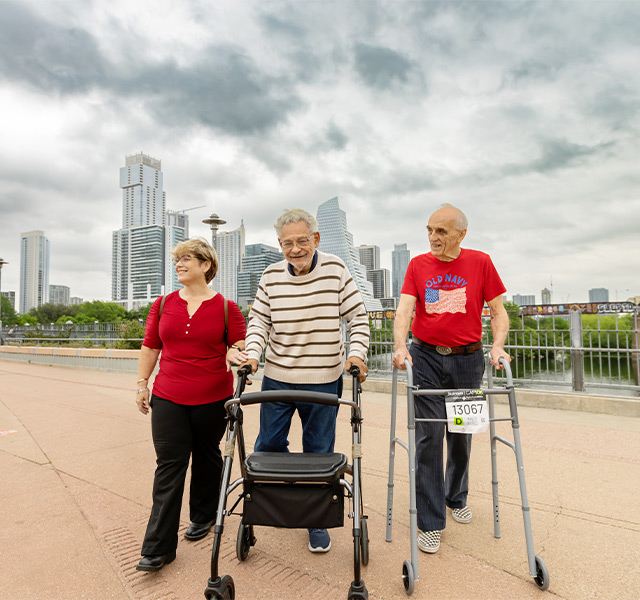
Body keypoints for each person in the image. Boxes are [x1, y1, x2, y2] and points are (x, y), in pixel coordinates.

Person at [241, 208, 369, 554]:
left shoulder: (336, 270)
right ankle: (292, 490)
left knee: (318, 451)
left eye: (301, 241)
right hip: (278, 377)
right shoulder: (269, 276)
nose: (294, 249)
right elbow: (259, 323)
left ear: (315, 239)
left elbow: (358, 319)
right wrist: (253, 355)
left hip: (324, 379)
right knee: (266, 445)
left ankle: (317, 521)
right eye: (287, 243)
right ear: (279, 244)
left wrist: (356, 355)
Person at [392, 204, 510, 554]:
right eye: (429, 230)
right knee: (429, 436)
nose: (433, 238)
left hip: (467, 360)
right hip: (425, 356)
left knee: (461, 434)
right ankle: (430, 522)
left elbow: (499, 312)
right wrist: (400, 345)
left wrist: (498, 346)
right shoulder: (417, 265)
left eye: (441, 232)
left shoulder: (481, 262)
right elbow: (404, 311)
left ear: (461, 234)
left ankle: (456, 497)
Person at [135, 238, 248, 572]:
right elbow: (150, 346)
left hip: (213, 396)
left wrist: (233, 354)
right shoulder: (163, 304)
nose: (178, 264)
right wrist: (142, 384)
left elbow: (237, 346)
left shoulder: (228, 308)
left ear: (206, 265)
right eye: (176, 259)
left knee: (208, 456)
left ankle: (202, 515)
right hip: (168, 395)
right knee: (169, 465)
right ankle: (158, 547)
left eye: (186, 258)